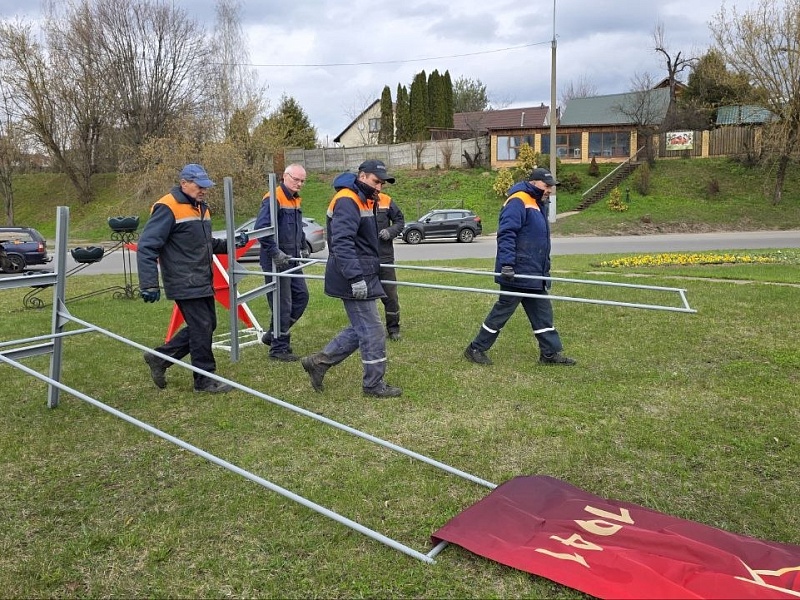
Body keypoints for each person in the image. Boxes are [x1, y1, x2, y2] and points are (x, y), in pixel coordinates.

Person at [137, 163, 247, 393]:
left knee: (207, 325)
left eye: (206, 186)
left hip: (201, 278)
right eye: (200, 186)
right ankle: (204, 380)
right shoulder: (167, 207)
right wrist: (148, 283)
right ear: (184, 183)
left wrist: (231, 244)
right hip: (183, 278)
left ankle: (160, 358)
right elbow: (147, 246)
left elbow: (206, 245)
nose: (204, 190)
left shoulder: (201, 208)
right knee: (201, 326)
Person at [301, 159, 402, 398]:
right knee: (373, 330)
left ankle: (319, 362)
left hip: (363, 271)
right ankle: (373, 385)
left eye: (382, 183)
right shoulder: (348, 200)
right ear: (363, 176)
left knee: (362, 328)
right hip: (353, 275)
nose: (379, 187)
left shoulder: (364, 198)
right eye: (376, 181)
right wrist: (356, 278)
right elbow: (342, 243)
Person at [464, 167, 576, 367]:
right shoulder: (518, 200)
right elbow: (507, 233)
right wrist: (507, 264)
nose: (549, 190)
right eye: (546, 185)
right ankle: (475, 349)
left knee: (543, 315)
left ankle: (549, 354)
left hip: (534, 273)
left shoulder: (538, 203)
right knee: (501, 313)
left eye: (551, 186)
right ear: (534, 182)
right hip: (516, 272)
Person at [255, 163, 310, 362]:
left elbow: (297, 227)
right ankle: (279, 349)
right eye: (296, 179)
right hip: (276, 261)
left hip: (292, 259)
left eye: (302, 181)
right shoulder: (273, 197)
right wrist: (275, 253)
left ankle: (273, 334)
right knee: (282, 304)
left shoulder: (295, 200)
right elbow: (261, 228)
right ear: (285, 177)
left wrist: (303, 245)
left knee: (302, 297)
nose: (299, 184)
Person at [375, 189, 405, 340]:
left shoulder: (386, 200)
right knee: (364, 297)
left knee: (391, 296)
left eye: (380, 183)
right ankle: (368, 330)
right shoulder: (356, 201)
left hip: (385, 259)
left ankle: (393, 329)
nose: (378, 186)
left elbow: (400, 221)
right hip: (365, 259)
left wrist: (390, 231)